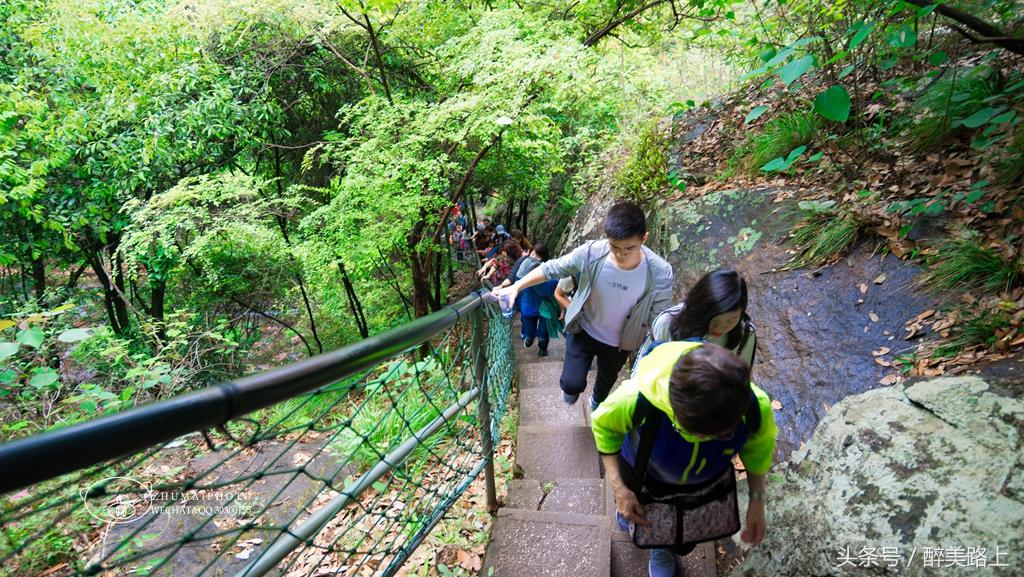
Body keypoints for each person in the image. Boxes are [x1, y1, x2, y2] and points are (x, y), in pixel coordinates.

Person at [592, 342, 777, 577]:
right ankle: (655, 544)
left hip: (702, 482)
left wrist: (757, 500)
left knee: (684, 538)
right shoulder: (636, 398)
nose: (715, 440)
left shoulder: (752, 405)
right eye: (701, 434)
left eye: (724, 434)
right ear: (676, 411)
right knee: (644, 510)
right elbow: (603, 425)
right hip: (645, 472)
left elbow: (757, 450)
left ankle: (666, 547)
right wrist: (619, 490)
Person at [493, 201, 673, 409]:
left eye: (629, 248)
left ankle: (596, 401)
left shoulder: (660, 273)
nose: (621, 254)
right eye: (614, 246)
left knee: (605, 386)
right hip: (584, 329)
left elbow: (658, 318)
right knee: (570, 385)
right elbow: (552, 268)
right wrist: (516, 286)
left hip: (620, 344)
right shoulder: (592, 254)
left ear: (644, 238)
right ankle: (572, 390)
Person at [643, 269, 757, 368]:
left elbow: (742, 379)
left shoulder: (746, 333)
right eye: (714, 321)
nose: (721, 328)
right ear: (700, 309)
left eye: (731, 320)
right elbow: (645, 370)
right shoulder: (667, 322)